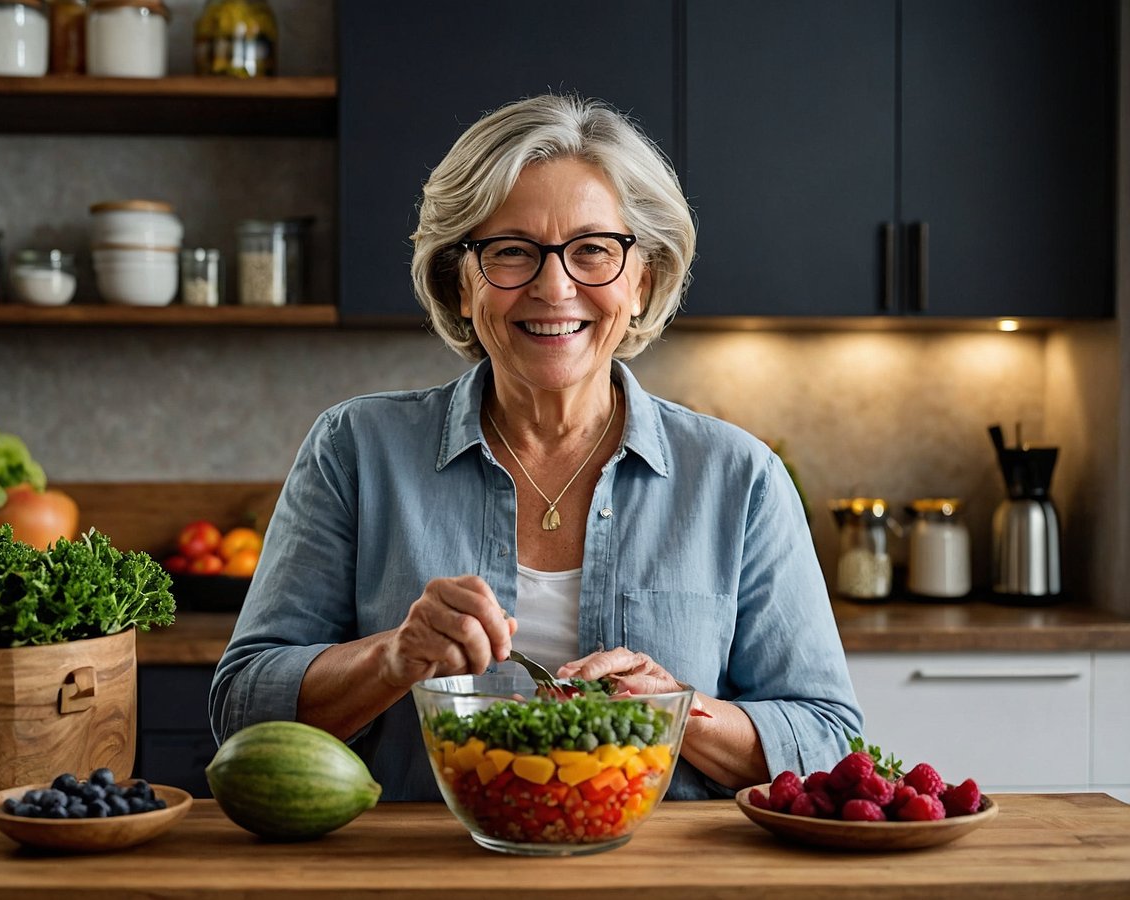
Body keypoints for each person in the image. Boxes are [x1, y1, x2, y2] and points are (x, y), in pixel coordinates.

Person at [210, 93, 862, 800]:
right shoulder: (356, 451)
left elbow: (828, 739)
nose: (555, 287)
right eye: (512, 252)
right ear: (461, 283)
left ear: (641, 280)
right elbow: (241, 706)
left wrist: (677, 712)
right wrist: (392, 657)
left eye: (593, 251)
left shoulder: (741, 478)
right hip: (416, 870)